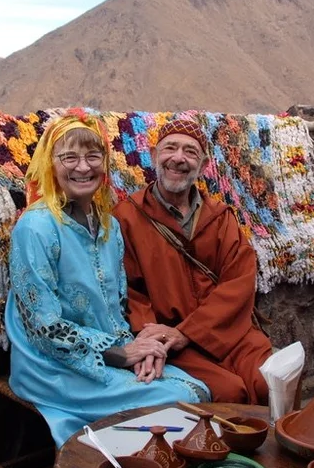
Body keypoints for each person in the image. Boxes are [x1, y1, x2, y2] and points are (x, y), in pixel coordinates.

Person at [5, 113, 210, 447]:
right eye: (69, 157)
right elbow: (43, 327)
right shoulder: (36, 228)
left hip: (108, 349)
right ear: (50, 164)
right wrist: (119, 354)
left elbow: (115, 308)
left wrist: (140, 350)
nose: (83, 168)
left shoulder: (108, 227)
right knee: (177, 400)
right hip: (51, 365)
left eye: (93, 157)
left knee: (196, 390)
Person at [113, 118, 273, 405]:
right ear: (153, 156)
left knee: (269, 381)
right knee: (229, 392)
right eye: (170, 148)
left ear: (202, 165)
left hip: (227, 330)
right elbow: (128, 289)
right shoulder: (127, 217)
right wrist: (151, 339)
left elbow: (240, 280)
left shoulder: (220, 217)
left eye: (190, 152)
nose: (178, 158)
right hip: (169, 340)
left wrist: (189, 332)